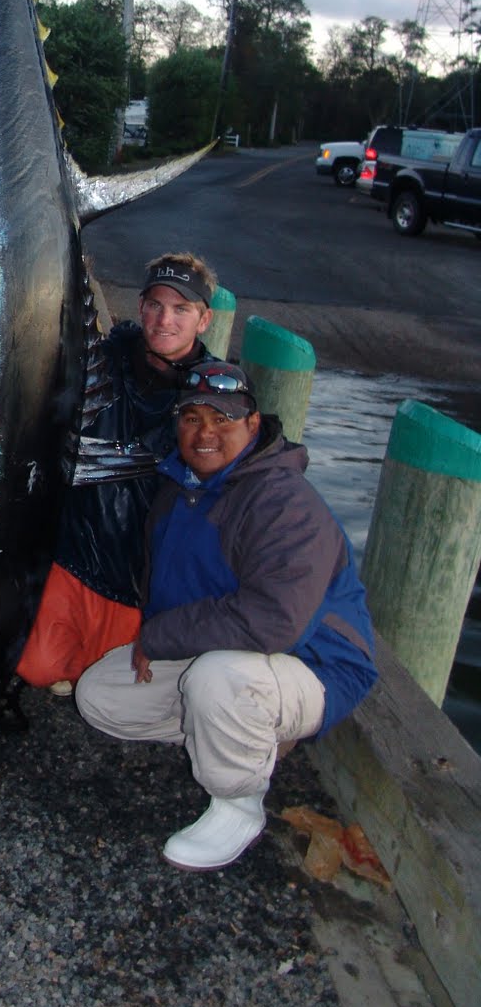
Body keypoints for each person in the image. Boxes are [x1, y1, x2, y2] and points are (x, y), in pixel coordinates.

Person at [76, 359, 378, 871]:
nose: (205, 433)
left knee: (217, 680)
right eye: (192, 418)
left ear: (254, 425)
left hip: (315, 664)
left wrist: (162, 636)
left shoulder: (285, 503)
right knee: (100, 695)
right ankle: (245, 735)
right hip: (227, 652)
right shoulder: (179, 488)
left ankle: (237, 802)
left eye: (223, 420)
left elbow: (274, 622)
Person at [18, 253, 217, 693]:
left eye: (181, 309)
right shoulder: (97, 362)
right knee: (37, 668)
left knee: (112, 684)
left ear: (204, 320)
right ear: (140, 307)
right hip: (75, 561)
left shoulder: (217, 397)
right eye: (155, 305)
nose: (165, 319)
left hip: (142, 579)